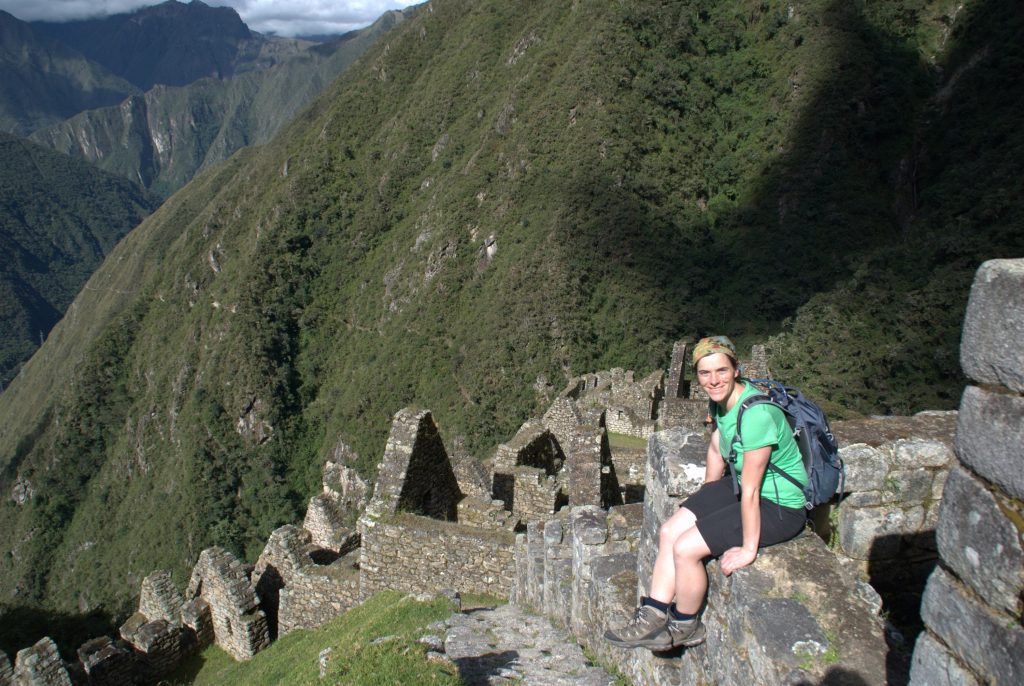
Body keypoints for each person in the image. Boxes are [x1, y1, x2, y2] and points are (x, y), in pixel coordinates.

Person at [603, 336, 808, 651]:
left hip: (779, 505)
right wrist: (707, 497)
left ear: (736, 369)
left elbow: (753, 490)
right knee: (670, 530)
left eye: (721, 371)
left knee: (686, 549)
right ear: (697, 376)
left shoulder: (756, 416)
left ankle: (685, 624)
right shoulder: (720, 401)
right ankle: (652, 615)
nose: (714, 380)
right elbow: (716, 446)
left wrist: (749, 548)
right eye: (705, 373)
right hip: (740, 486)